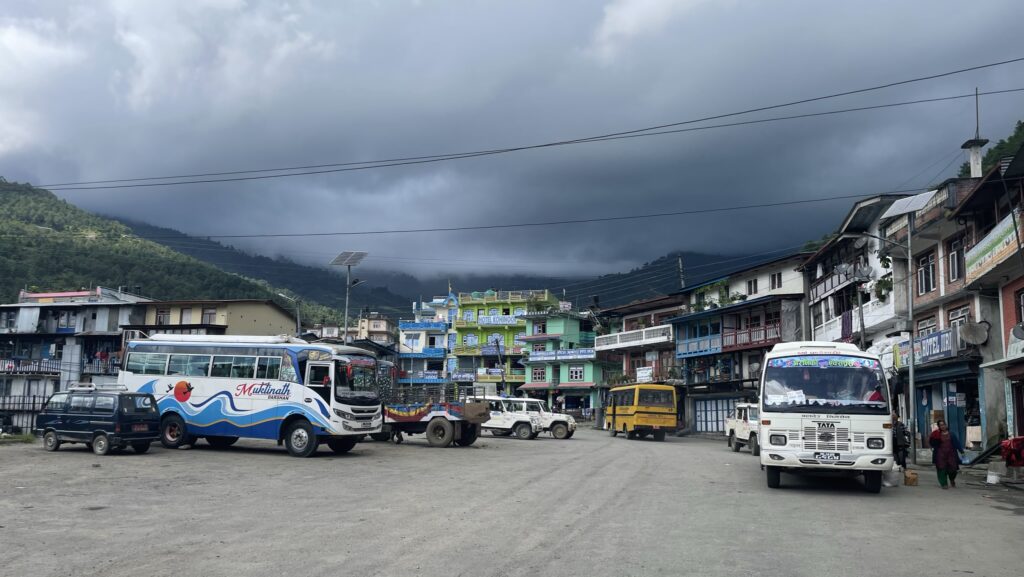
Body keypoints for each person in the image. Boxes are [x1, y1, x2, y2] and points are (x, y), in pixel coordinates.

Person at [929, 419, 964, 489]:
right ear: (939, 426)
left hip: (951, 454)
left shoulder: (951, 434)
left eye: (943, 425)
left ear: (946, 425)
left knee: (953, 469)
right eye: (941, 425)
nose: (943, 426)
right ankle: (944, 483)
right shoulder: (936, 434)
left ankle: (952, 479)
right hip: (940, 454)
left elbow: (957, 443)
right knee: (941, 469)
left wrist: (961, 451)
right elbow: (932, 442)